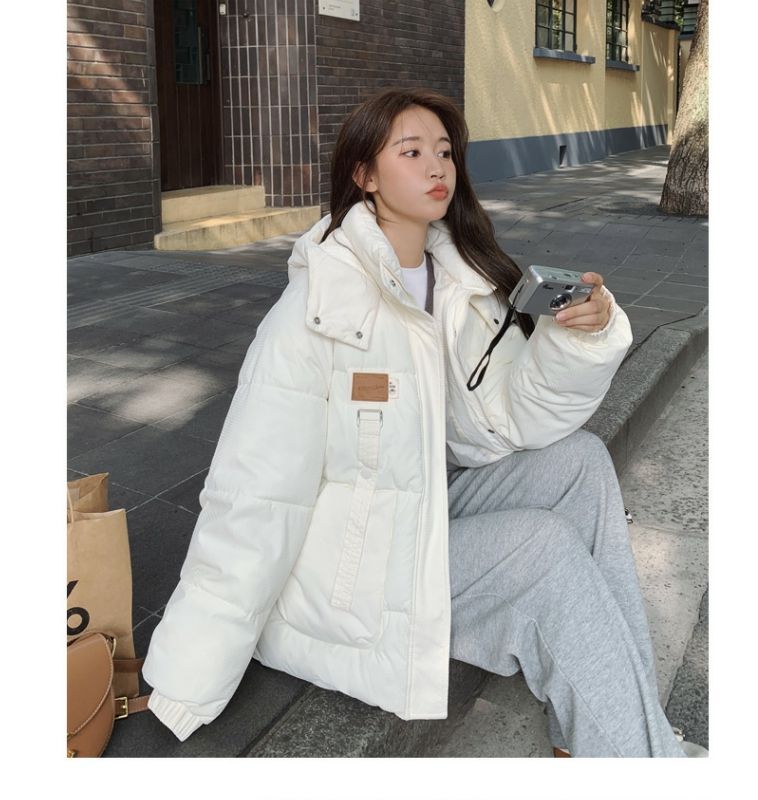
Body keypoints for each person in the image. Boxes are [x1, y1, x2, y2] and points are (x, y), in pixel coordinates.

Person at [142, 87, 705, 757]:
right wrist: (188, 679)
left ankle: (619, 723)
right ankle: (639, 756)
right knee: (543, 550)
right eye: (411, 153)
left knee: (579, 462)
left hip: (417, 509)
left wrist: (580, 337)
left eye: (444, 151)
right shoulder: (317, 310)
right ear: (365, 175)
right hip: (343, 568)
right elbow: (255, 493)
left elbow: (512, 424)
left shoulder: (461, 281)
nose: (437, 167)